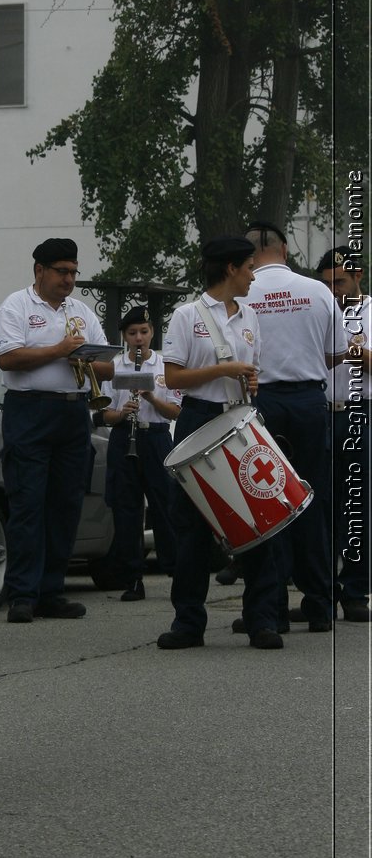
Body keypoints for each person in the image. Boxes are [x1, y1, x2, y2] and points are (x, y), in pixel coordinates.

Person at [158, 235, 283, 650]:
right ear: (230, 268)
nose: (252, 275)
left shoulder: (249, 316)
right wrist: (222, 369)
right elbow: (174, 378)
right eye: (248, 267)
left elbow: (253, 370)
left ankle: (261, 618)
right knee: (191, 525)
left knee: (258, 518)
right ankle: (188, 622)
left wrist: (248, 378)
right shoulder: (186, 315)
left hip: (240, 415)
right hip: (199, 417)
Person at [0, 238, 113, 623]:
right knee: (28, 503)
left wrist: (89, 358)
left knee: (65, 504)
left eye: (74, 272)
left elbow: (108, 366)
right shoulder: (16, 306)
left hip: (73, 413)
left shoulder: (81, 311)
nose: (69, 279)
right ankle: (23, 594)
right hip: (30, 410)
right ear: (39, 271)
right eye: (62, 271)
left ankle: (51, 591)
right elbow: (8, 358)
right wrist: (61, 350)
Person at [237, 221, 347, 634]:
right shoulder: (317, 291)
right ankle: (320, 605)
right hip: (307, 402)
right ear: (284, 249)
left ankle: (271, 608)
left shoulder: (243, 293)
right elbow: (336, 353)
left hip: (261, 401)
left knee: (267, 504)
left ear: (249, 255)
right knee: (312, 503)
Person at [98, 306, 181, 600]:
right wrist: (122, 413)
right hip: (125, 438)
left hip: (156, 437)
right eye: (132, 334)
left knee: (165, 506)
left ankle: (175, 571)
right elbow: (104, 413)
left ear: (152, 333)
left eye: (143, 332)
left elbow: (174, 410)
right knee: (126, 509)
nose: (138, 339)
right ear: (124, 336)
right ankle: (132, 577)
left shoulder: (164, 366)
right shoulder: (115, 367)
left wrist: (151, 398)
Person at [314, 245, 370, 622]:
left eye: (340, 282)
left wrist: (350, 349)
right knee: (318, 507)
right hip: (320, 413)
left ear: (358, 276)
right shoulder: (318, 312)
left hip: (357, 413)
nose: (334, 291)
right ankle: (318, 593)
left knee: (355, 506)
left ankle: (353, 591)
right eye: (327, 284)